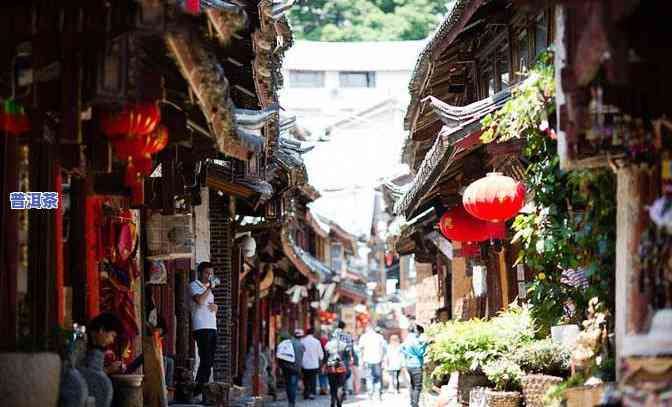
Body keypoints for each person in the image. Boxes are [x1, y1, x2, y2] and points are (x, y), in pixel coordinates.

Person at [190, 261, 218, 401]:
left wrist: (215, 307)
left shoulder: (209, 289)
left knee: (209, 361)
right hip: (201, 327)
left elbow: (208, 305)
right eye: (207, 273)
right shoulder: (194, 285)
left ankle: (200, 391)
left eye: (211, 273)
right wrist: (209, 288)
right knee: (205, 360)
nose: (210, 276)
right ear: (200, 273)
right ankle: (198, 392)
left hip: (212, 327)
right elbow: (200, 301)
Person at [125, 314, 175, 387]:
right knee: (163, 360)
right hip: (150, 354)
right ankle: (162, 386)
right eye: (160, 330)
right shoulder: (151, 332)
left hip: (155, 354)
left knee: (170, 361)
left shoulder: (159, 335)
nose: (160, 332)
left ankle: (167, 386)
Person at [401, 324, 428, 407]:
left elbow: (402, 349)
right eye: (420, 333)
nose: (420, 335)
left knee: (413, 385)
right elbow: (420, 352)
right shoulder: (414, 339)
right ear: (416, 331)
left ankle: (412, 403)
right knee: (417, 386)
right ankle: (415, 404)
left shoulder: (406, 339)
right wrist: (425, 345)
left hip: (409, 365)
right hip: (416, 365)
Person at [276, 330, 304, 407]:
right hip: (295, 368)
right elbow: (300, 359)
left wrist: (281, 367)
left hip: (286, 368)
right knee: (293, 385)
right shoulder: (300, 345)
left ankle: (290, 401)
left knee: (288, 385)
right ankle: (292, 402)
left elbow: (280, 357)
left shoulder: (284, 344)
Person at [324, 328, 351, 407]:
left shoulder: (328, 344)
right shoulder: (344, 344)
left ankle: (332, 400)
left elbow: (326, 356)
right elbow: (348, 357)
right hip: (340, 365)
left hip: (331, 365)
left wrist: (324, 365)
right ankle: (339, 401)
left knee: (332, 384)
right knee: (340, 384)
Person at [359, 324, 386, 400]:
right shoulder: (379, 337)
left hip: (367, 359)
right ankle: (377, 394)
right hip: (377, 359)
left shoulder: (363, 337)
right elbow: (383, 348)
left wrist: (362, 359)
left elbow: (361, 349)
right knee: (377, 377)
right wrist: (382, 358)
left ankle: (370, 394)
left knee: (369, 377)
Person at [299, 328, 324, 400]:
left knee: (305, 379)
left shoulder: (302, 341)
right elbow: (321, 354)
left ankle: (306, 393)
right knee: (313, 379)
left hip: (304, 364)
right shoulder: (316, 342)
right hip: (314, 364)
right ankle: (312, 393)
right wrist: (321, 360)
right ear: (313, 333)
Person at [335, 320, 356, 397]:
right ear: (344, 327)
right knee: (346, 373)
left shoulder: (333, 334)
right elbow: (349, 348)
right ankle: (343, 389)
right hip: (344, 357)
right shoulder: (347, 335)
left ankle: (336, 389)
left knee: (332, 374)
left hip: (333, 357)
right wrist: (351, 358)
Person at [318, 331, 330, 395]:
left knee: (321, 376)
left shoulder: (320, 343)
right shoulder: (327, 343)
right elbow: (327, 354)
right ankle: (325, 389)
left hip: (321, 362)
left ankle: (322, 389)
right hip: (326, 362)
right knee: (325, 376)